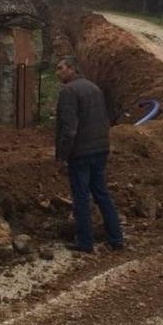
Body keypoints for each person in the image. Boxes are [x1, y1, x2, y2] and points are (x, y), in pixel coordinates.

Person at [55, 56, 124, 253]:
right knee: (102, 194)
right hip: (100, 149)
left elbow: (69, 129)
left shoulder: (69, 92)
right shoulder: (93, 88)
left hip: (81, 153)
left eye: (60, 68)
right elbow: (104, 118)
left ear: (71, 69)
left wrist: (62, 155)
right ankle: (116, 238)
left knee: (81, 197)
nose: (58, 72)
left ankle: (85, 242)